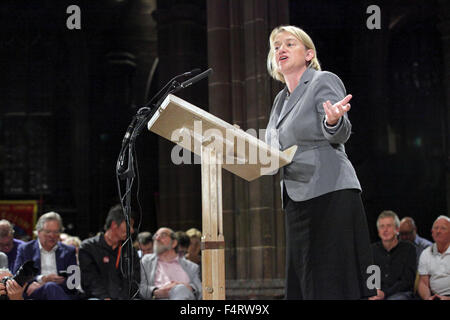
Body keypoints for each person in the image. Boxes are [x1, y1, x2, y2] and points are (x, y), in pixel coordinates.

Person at [264, 25, 376, 299]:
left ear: (308, 53)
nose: (281, 49)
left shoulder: (322, 80)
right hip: (296, 198)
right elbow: (272, 149)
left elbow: (341, 132)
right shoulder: (280, 101)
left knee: (331, 279)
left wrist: (332, 120)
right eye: (277, 46)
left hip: (329, 191)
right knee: (307, 281)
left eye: (290, 44)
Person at [78, 204, 140, 300]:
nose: (132, 230)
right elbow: (91, 280)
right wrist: (105, 298)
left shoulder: (130, 250)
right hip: (98, 297)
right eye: (129, 225)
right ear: (114, 225)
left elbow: (133, 280)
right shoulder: (88, 247)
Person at [13, 211, 78, 300]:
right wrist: (41, 279)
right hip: (35, 293)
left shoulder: (69, 251)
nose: (52, 235)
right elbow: (18, 276)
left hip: (61, 292)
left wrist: (59, 282)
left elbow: (75, 282)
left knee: (51, 287)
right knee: (49, 286)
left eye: (56, 232)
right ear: (38, 232)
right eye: (48, 232)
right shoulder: (25, 249)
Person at [139, 227, 202, 300]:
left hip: (185, 302)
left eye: (163, 235)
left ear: (174, 243)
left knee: (180, 289)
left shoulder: (192, 267)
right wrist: (156, 292)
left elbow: (200, 291)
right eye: (156, 235)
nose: (157, 238)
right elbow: (140, 288)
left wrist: (189, 288)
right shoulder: (147, 262)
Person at [370, 210, 417, 300]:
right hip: (377, 294)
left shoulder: (409, 249)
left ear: (397, 229)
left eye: (389, 226)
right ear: (378, 231)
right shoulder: (372, 250)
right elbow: (369, 278)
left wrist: (385, 293)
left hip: (400, 293)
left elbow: (408, 281)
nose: (385, 230)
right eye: (382, 226)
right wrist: (374, 293)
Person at [417, 215, 450, 300]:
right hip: (435, 297)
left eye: (443, 228)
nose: (438, 231)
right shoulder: (426, 253)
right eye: (435, 228)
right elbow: (423, 283)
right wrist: (428, 298)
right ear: (432, 232)